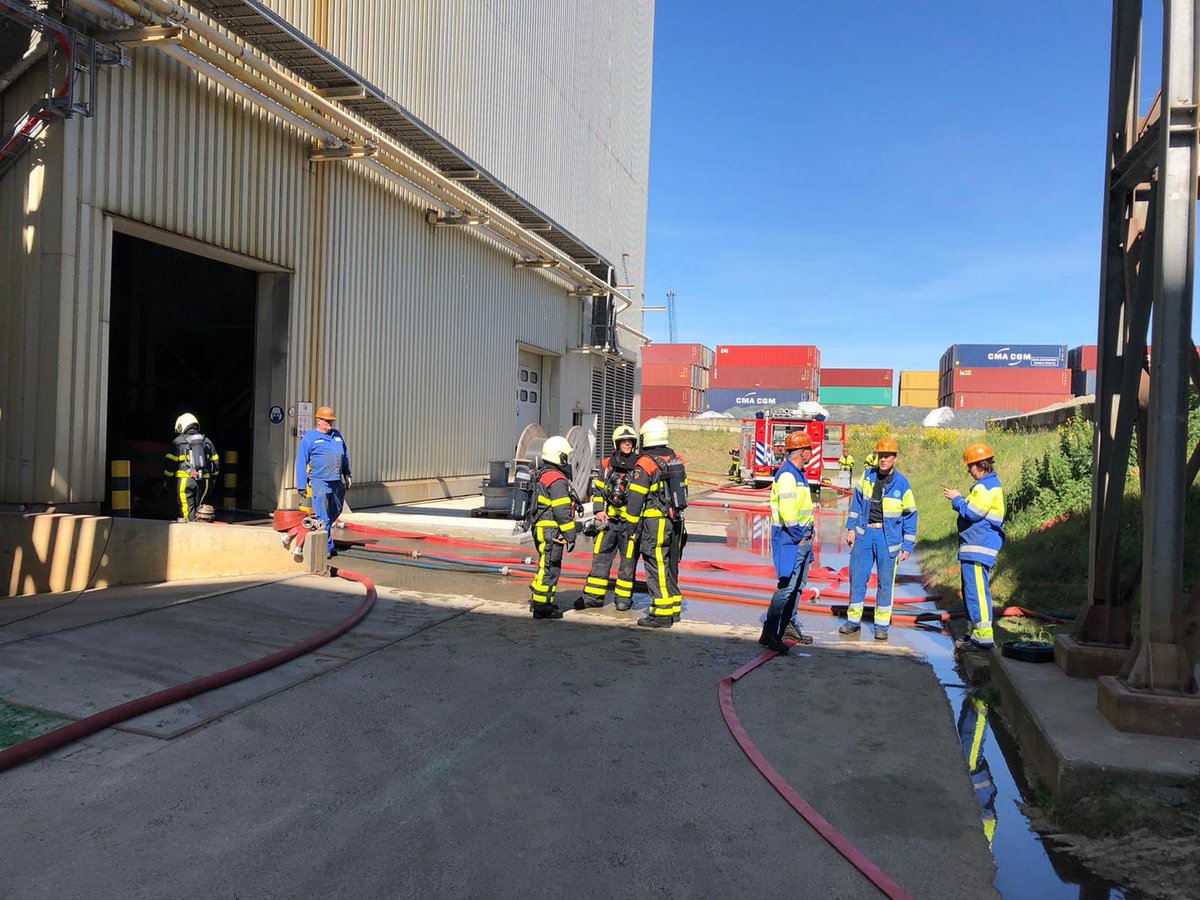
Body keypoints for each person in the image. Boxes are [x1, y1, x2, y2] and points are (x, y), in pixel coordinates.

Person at [839, 437, 918, 641]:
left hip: (888, 538)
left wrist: (908, 544)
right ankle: (853, 621)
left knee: (885, 582)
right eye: (880, 456)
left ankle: (881, 625)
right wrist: (851, 528)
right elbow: (856, 504)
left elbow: (910, 514)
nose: (883, 459)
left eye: (887, 456)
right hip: (865, 534)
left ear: (895, 458)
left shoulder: (902, 484)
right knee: (857, 577)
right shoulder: (867, 476)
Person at [619, 418, 687, 628]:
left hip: (655, 523)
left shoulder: (645, 463)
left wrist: (630, 527)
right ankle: (674, 608)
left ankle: (661, 614)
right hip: (675, 520)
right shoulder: (676, 458)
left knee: (655, 564)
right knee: (669, 565)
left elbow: (635, 500)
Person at [944, 443, 1005, 652]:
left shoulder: (984, 487)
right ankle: (975, 633)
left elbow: (972, 513)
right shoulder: (988, 486)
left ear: (979, 465)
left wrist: (957, 499)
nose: (969, 472)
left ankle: (984, 638)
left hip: (980, 548)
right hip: (974, 548)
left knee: (977, 592)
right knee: (970, 591)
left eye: (969, 467)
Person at [760, 430, 817, 654]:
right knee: (786, 587)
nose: (812, 452)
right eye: (810, 449)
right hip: (790, 538)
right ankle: (770, 632)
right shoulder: (787, 475)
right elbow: (787, 510)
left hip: (802, 537)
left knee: (798, 586)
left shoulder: (798, 473)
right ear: (802, 452)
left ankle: (788, 626)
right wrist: (798, 535)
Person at [577, 425, 639, 609]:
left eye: (630, 441)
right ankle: (593, 598)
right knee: (600, 559)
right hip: (608, 522)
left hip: (629, 524)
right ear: (617, 443)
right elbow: (598, 489)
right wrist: (598, 510)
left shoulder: (639, 465)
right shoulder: (607, 465)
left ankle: (623, 600)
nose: (627, 444)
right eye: (623, 441)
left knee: (628, 563)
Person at [528, 435, 578, 619]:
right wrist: (571, 535)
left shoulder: (541, 474)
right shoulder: (556, 479)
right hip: (551, 531)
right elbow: (562, 511)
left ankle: (540, 601)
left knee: (544, 565)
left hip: (541, 529)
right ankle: (543, 607)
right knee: (550, 568)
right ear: (560, 457)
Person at [296, 405, 352, 558]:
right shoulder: (310, 438)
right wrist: (301, 485)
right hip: (320, 481)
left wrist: (347, 473)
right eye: (326, 421)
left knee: (337, 509)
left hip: (336, 480)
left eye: (331, 421)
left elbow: (344, 454)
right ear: (318, 420)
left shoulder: (337, 435)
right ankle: (326, 547)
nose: (329, 424)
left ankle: (320, 532)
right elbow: (301, 461)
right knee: (324, 517)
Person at [164, 412, 219, 522]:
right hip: (204, 482)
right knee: (200, 509)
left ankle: (189, 533)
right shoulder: (207, 442)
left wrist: (168, 480)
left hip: (186, 481)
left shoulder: (178, 442)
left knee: (186, 510)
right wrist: (212, 480)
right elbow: (216, 464)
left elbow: (170, 465)